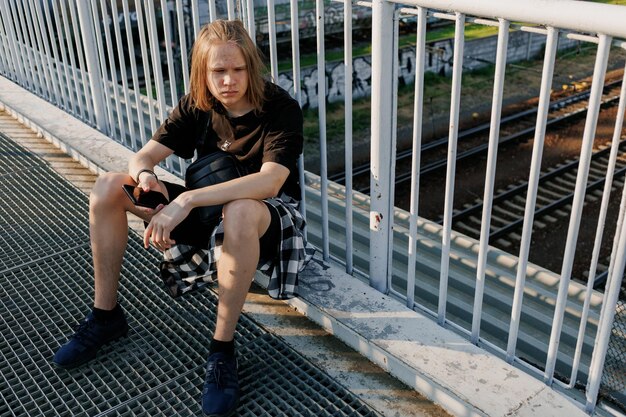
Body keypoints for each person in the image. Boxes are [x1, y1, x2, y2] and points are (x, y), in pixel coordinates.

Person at [52, 19, 310, 417]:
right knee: (108, 187)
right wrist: (147, 178)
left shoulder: (280, 107)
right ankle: (106, 317)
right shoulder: (198, 103)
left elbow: (270, 182)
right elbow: (144, 155)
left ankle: (222, 352)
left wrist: (185, 201)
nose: (228, 80)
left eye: (237, 69)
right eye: (218, 71)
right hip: (209, 207)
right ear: (203, 72)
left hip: (265, 217)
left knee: (239, 210)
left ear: (251, 68)